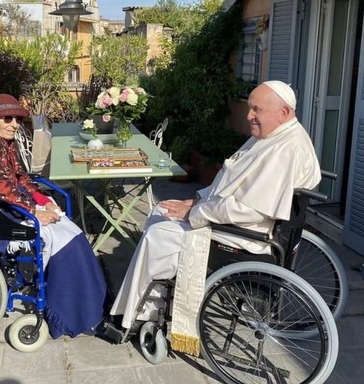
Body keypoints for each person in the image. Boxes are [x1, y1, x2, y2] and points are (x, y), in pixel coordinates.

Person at [108, 80, 322, 333]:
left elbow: (248, 209)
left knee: (160, 233)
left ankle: (140, 315)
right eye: (250, 108)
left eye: (257, 110)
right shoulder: (272, 136)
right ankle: (140, 305)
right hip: (238, 222)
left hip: (247, 236)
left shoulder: (286, 149)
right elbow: (232, 180)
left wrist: (196, 212)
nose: (249, 115)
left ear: (283, 113)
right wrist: (198, 200)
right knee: (163, 210)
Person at [0, 94, 107, 339]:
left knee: (68, 230)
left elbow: (20, 178)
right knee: (52, 234)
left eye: (17, 118)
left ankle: (87, 302)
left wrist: (43, 200)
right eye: (8, 118)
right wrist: (35, 211)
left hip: (4, 205)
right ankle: (67, 312)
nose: (14, 123)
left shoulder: (4, 140)